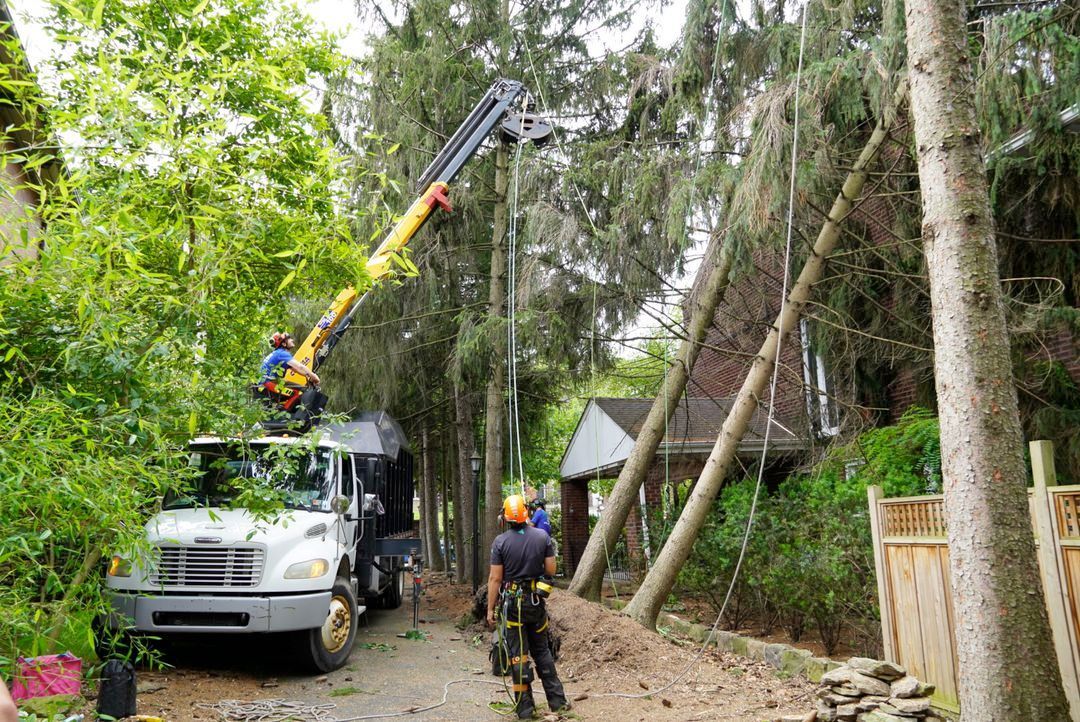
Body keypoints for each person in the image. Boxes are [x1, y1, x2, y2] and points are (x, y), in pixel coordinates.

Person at [487, 495, 569, 719]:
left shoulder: (500, 542)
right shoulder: (542, 537)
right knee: (542, 651)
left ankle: (525, 708)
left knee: (518, 657)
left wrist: (490, 609)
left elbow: (495, 579)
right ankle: (558, 702)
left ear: (505, 517)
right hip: (535, 603)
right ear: (526, 513)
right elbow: (550, 571)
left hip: (513, 607)